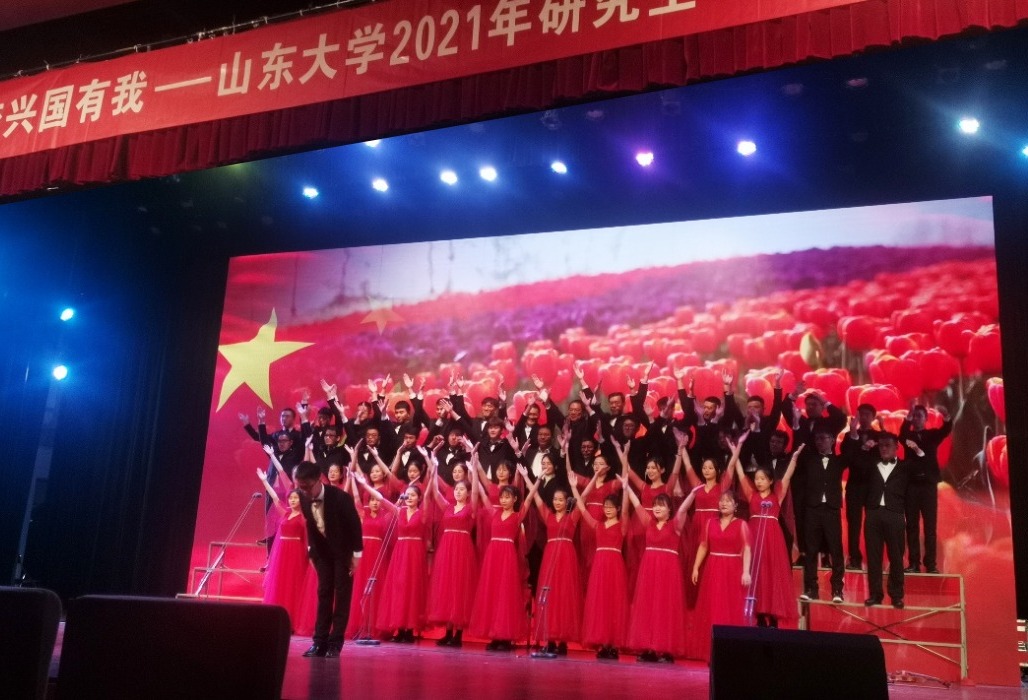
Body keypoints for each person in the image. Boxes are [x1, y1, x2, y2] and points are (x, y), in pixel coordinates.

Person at [730, 433, 804, 625]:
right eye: (757, 478)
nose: (759, 481)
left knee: (771, 572)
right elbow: (740, 474)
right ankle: (758, 612)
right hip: (754, 535)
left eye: (762, 479)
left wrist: (794, 458)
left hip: (772, 538)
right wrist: (735, 451)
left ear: (770, 481)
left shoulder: (777, 493)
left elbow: (787, 476)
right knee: (755, 571)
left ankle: (772, 611)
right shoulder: (751, 494)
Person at [293, 460, 363, 658]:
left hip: (343, 552)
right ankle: (319, 642)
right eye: (300, 487)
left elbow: (355, 526)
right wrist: (311, 552)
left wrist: (356, 555)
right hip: (322, 553)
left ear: (318, 480)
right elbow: (310, 525)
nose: (304, 491)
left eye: (307, 486)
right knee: (324, 593)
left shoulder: (340, 498)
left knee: (341, 595)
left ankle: (335, 643)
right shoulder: (304, 497)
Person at [469, 470, 543, 651]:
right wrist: (474, 471)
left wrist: (535, 479)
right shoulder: (494, 512)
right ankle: (495, 635)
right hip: (493, 556)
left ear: (515, 499)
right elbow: (481, 493)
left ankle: (506, 637)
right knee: (493, 593)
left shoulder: (518, 516)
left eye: (507, 497)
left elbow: (529, 498)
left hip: (507, 557)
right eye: (502, 497)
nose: (503, 500)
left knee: (506, 594)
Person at [624, 488, 695, 663]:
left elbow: (683, 509)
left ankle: (666, 650)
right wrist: (627, 488)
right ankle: (649, 648)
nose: (657, 508)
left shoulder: (675, 525)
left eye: (661, 505)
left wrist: (692, 494)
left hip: (668, 571)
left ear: (669, 509)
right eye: (655, 505)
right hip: (649, 570)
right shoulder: (649, 523)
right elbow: (637, 505)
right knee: (648, 607)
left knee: (665, 607)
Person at [356, 477, 429, 643]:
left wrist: (433, 472)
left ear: (419, 498)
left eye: (413, 495)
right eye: (407, 495)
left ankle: (409, 629)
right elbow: (381, 499)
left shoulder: (422, 513)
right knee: (399, 588)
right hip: (400, 553)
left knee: (412, 589)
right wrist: (365, 485)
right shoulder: (399, 511)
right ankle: (400, 628)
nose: (409, 498)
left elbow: (433, 494)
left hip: (414, 553)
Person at [570, 473, 631, 660]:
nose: (608, 510)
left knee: (614, 603)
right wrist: (574, 488)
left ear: (617, 508)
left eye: (611, 507)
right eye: (606, 507)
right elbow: (582, 508)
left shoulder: (622, 525)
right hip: (600, 566)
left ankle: (613, 644)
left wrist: (626, 489)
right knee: (601, 603)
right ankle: (603, 643)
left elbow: (626, 510)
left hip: (615, 565)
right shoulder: (598, 525)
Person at [525, 464, 583, 655]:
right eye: (555, 499)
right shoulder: (548, 515)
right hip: (550, 556)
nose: (557, 502)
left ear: (567, 502)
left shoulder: (572, 517)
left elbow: (582, 500)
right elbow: (535, 496)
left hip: (566, 557)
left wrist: (574, 487)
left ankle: (562, 639)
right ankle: (549, 638)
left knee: (564, 596)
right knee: (549, 596)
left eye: (561, 500)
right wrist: (532, 478)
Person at [691, 490, 753, 664]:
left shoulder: (741, 524)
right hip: (713, 569)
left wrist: (746, 571)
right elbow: (704, 545)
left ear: (735, 505)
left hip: (732, 570)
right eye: (721, 500)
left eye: (728, 501)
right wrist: (696, 567)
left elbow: (747, 548)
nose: (724, 503)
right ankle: (711, 651)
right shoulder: (710, 523)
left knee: (730, 609)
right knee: (712, 607)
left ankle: (729, 651)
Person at [425, 455, 480, 647]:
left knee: (460, 587)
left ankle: (458, 634)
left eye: (462, 489)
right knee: (447, 587)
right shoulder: (448, 507)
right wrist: (434, 468)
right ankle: (448, 631)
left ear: (468, 493)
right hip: (447, 551)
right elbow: (435, 491)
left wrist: (474, 470)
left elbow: (476, 492)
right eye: (456, 489)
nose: (458, 492)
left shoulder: (471, 507)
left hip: (462, 550)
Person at [257, 470, 313, 635]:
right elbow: (275, 498)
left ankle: (291, 621)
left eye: (295, 498)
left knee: (292, 585)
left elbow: (308, 540)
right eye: (291, 498)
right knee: (280, 584)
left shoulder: (304, 518)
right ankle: (276, 620)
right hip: (282, 554)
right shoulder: (286, 513)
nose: (292, 500)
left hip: (296, 554)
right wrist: (265, 481)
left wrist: (310, 556)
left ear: (301, 500)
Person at [865, 433, 917, 609]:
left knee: (896, 556)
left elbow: (926, 468)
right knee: (873, 557)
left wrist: (917, 450)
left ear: (897, 447)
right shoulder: (871, 464)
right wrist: (865, 448)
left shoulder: (905, 467)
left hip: (894, 514)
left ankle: (896, 595)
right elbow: (855, 465)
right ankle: (875, 594)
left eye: (888, 445)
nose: (884, 448)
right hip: (873, 513)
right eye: (881, 445)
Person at [796, 430, 848, 603]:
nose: (819, 441)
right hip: (813, 509)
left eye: (823, 438)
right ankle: (811, 588)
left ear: (832, 440)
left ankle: (837, 589)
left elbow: (854, 455)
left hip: (831, 509)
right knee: (810, 550)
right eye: (817, 438)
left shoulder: (838, 461)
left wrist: (855, 434)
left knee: (836, 550)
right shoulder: (809, 460)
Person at [900, 405, 952, 573]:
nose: (916, 418)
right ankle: (914, 563)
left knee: (930, 526)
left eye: (919, 416)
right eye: (914, 416)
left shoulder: (932, 435)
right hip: (911, 485)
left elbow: (946, 429)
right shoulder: (908, 436)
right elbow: (901, 434)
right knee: (912, 526)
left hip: (928, 485)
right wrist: (907, 418)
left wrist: (946, 416)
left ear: (926, 418)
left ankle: (930, 564)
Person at [345, 476, 396, 641]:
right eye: (372, 500)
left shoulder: (386, 516)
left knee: (376, 589)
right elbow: (356, 498)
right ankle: (359, 626)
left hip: (378, 555)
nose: (375, 503)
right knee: (360, 588)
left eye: (377, 500)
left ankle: (372, 627)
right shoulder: (363, 513)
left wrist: (366, 485)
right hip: (364, 554)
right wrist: (354, 481)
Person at [840, 403, 882, 570]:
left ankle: (873, 557)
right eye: (861, 414)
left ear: (873, 417)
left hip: (873, 485)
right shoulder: (849, 436)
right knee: (854, 523)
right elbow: (846, 457)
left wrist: (881, 431)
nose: (863, 417)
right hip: (854, 484)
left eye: (867, 414)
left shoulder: (879, 436)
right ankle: (854, 558)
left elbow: (885, 455)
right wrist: (853, 434)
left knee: (873, 523)